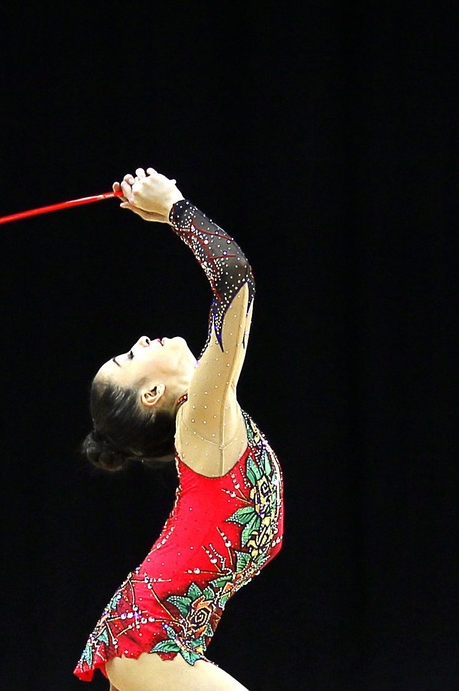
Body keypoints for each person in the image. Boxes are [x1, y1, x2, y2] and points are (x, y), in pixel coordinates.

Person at [73, 169, 284, 690]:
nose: (142, 339)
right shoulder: (200, 420)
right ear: (150, 395)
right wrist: (174, 208)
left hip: (152, 639)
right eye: (130, 355)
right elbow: (234, 282)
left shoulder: (207, 426)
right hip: (149, 639)